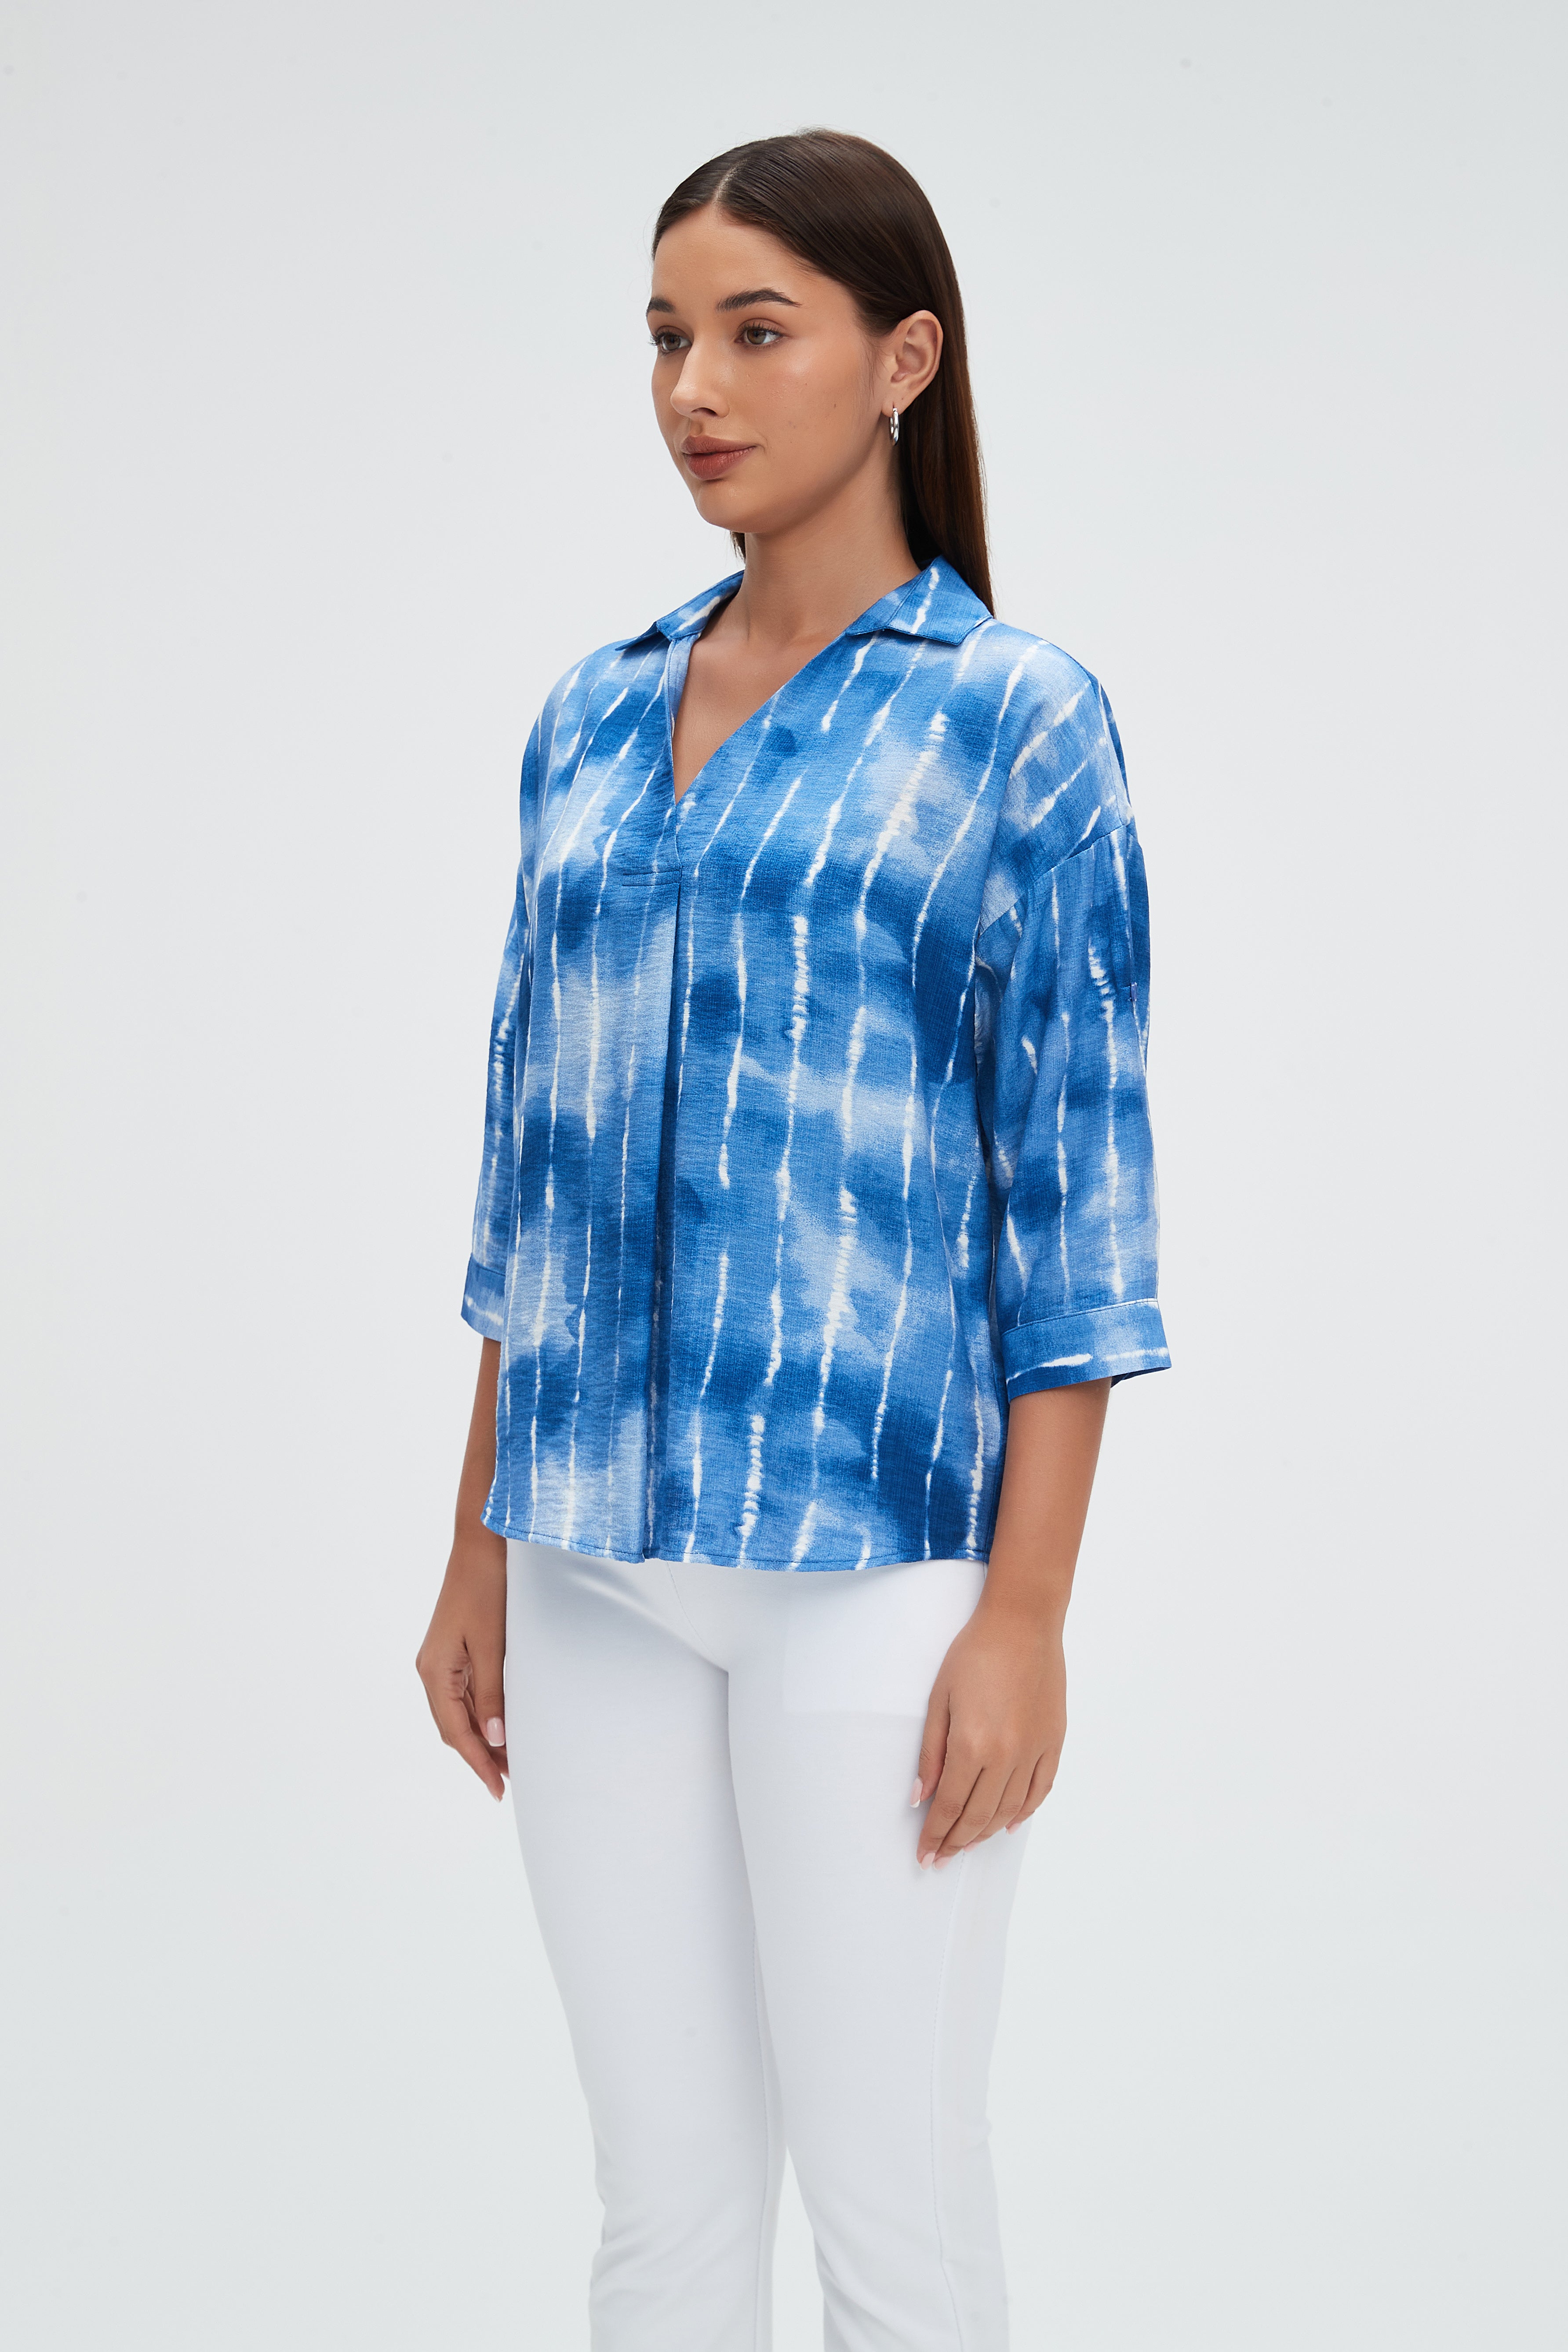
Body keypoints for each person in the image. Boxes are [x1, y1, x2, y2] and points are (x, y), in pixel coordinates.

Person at [417, 127, 1168, 2352]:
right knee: (658, 2213)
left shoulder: (1014, 720)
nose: (695, 391)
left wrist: (1025, 1613)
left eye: (758, 332)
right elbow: (531, 1162)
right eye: (667, 337)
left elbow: (1077, 1195)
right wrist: (472, 1544)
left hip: (876, 1569)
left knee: (891, 2218)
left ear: (902, 359)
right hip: (587, 1565)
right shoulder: (589, 712)